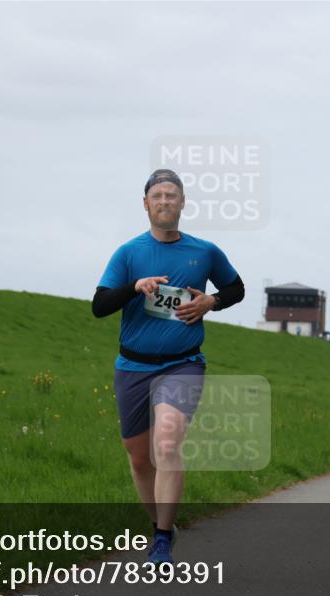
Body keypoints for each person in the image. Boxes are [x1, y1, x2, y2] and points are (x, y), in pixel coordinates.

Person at [92, 169, 244, 565]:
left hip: (183, 364)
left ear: (182, 203)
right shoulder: (128, 253)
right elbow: (99, 306)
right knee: (140, 457)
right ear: (146, 204)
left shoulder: (205, 251)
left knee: (167, 442)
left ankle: (160, 541)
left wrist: (212, 301)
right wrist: (135, 287)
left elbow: (236, 288)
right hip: (132, 365)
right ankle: (163, 525)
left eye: (171, 195)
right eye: (157, 195)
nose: (164, 201)